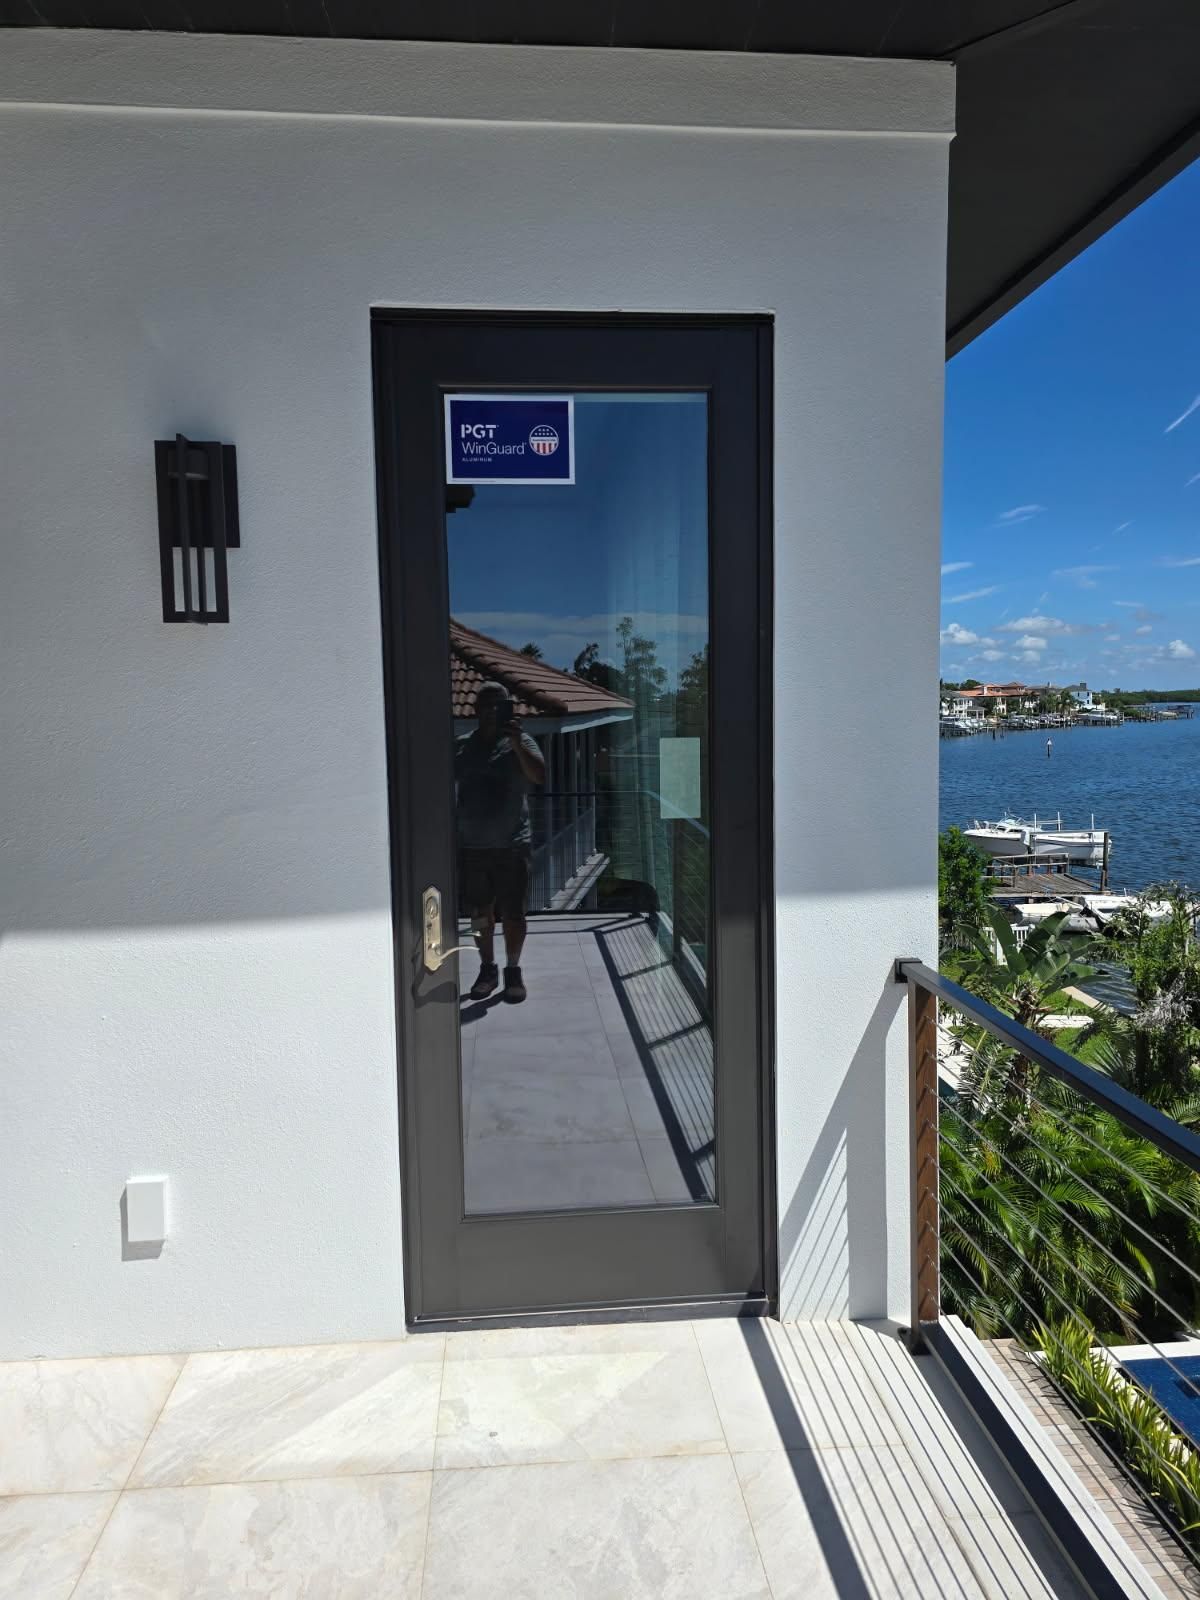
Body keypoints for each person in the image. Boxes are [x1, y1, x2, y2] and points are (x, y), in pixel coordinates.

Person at [455, 681, 546, 1003]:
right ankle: (487, 967)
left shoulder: (522, 742)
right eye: (487, 704)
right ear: (476, 709)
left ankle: (512, 969)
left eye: (499, 704)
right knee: (481, 913)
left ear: (508, 709)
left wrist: (518, 741)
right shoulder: (462, 746)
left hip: (512, 845)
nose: (493, 710)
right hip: (473, 846)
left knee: (514, 914)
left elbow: (539, 775)